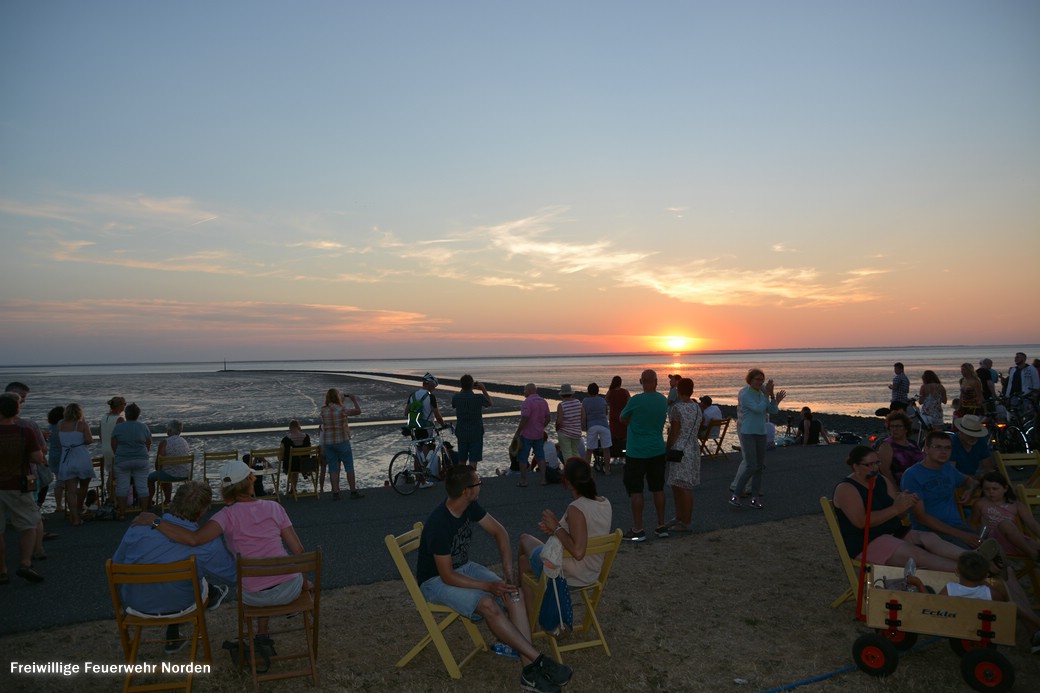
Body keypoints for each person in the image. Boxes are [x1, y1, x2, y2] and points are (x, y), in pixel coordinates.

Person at [416, 465, 573, 693]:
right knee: (488, 604)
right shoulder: (438, 524)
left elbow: (500, 532)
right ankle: (540, 662)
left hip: (463, 568)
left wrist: (507, 574)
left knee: (512, 592)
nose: (481, 486)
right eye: (478, 483)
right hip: (435, 582)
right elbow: (447, 576)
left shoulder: (469, 506)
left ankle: (529, 673)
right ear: (466, 491)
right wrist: (488, 585)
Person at [135, 459, 309, 647]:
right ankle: (271, 625)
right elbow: (298, 550)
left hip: (254, 595)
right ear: (251, 480)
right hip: (289, 589)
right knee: (278, 574)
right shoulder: (275, 507)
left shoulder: (225, 517)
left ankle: (262, 635)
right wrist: (300, 582)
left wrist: (157, 522)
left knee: (258, 581)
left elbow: (194, 539)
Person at [112, 481, 235, 653]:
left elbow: (117, 564)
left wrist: (155, 522)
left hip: (136, 604)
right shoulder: (206, 543)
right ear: (201, 513)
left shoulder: (138, 528)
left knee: (174, 573)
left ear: (173, 502)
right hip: (180, 605)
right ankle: (214, 594)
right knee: (193, 577)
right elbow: (233, 576)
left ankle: (174, 635)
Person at [833, 445, 962, 571]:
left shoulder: (881, 481)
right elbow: (861, 522)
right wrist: (895, 509)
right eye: (869, 465)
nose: (875, 468)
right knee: (917, 555)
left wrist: (905, 504)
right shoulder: (846, 488)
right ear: (855, 466)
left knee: (930, 538)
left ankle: (971, 557)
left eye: (877, 463)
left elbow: (900, 515)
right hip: (866, 541)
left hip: (893, 532)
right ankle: (966, 571)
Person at [517, 457, 613, 603]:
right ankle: (522, 603)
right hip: (592, 573)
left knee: (524, 539)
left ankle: (517, 602)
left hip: (568, 575)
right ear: (590, 477)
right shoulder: (605, 503)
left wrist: (556, 526)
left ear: (568, 483)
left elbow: (578, 552)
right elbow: (586, 532)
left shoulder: (577, 508)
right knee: (525, 561)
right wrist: (555, 529)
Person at [900, 431, 980, 549]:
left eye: (948, 448)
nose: (943, 452)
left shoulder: (947, 468)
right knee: (976, 557)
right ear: (926, 449)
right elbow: (921, 518)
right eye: (938, 447)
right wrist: (963, 536)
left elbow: (970, 481)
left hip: (956, 526)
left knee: (992, 547)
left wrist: (970, 490)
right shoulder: (913, 475)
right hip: (931, 532)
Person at [0, 392, 45, 583]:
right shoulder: (24, 432)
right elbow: (37, 458)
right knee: (28, 524)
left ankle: (2, 570)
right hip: (19, 484)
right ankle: (25, 563)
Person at [620, 369, 669, 541]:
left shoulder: (635, 400)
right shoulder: (663, 400)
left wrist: (632, 422)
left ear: (641, 381)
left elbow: (622, 418)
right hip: (657, 449)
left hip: (636, 452)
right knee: (658, 488)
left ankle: (638, 529)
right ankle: (661, 526)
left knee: (636, 490)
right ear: (656, 382)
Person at [729, 369, 785, 509]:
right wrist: (767, 395)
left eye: (761, 380)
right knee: (751, 465)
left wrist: (775, 400)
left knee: (759, 467)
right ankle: (736, 495)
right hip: (748, 432)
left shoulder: (761, 393)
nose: (760, 382)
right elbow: (758, 409)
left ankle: (755, 498)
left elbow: (773, 411)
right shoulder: (746, 394)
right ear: (750, 380)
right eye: (757, 379)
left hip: (761, 432)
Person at [973, 471, 1040, 561]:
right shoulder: (980, 504)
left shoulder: (1015, 504)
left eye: (995, 489)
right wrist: (976, 540)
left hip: (1016, 541)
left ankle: (1034, 554)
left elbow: (1033, 524)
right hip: (993, 541)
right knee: (1005, 524)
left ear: (1005, 489)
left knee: (1035, 545)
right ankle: (1033, 555)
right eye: (986, 489)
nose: (991, 492)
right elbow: (973, 523)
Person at [664, 377, 702, 532]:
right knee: (679, 484)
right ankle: (680, 516)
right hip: (693, 447)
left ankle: (684, 520)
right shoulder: (697, 407)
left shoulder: (677, 409)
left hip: (679, 448)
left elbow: (674, 432)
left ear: (678, 390)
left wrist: (667, 448)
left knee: (682, 486)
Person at [111, 403, 152, 520]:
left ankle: (122, 513)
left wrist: (117, 454)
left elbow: (113, 443)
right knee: (143, 486)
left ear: (126, 414)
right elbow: (149, 442)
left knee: (122, 486)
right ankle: (144, 513)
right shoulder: (143, 427)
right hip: (141, 459)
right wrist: (145, 453)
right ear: (138, 415)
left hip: (123, 459)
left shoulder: (119, 427)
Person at [320, 388, 363, 499]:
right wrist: (353, 400)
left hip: (328, 442)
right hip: (342, 440)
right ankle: (353, 491)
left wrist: (341, 401)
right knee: (348, 466)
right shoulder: (342, 409)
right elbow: (358, 411)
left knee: (333, 468)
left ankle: (335, 493)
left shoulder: (323, 410)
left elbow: (333, 410)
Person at [58, 402, 96, 526]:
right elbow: (89, 440)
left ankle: (75, 518)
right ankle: (79, 511)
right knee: (84, 487)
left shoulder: (61, 424)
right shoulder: (82, 424)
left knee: (71, 491)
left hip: (67, 459)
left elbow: (60, 440)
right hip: (81, 458)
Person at [147, 420, 191, 508]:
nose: (166, 431)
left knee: (150, 478)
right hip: (186, 474)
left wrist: (159, 468)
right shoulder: (184, 442)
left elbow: (158, 464)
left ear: (170, 431)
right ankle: (167, 500)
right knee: (165, 471)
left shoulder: (165, 442)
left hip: (171, 474)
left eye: (167, 429)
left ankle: (148, 502)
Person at [451, 374, 492, 467]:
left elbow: (454, 404)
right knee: (473, 460)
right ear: (472, 384)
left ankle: (462, 479)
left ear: (461, 385)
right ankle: (472, 479)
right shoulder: (479, 397)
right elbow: (489, 403)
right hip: (476, 432)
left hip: (462, 432)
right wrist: (483, 389)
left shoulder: (456, 398)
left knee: (462, 459)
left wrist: (465, 388)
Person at [514, 383, 550, 488]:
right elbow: (548, 418)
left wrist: (518, 432)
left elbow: (524, 418)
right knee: (540, 456)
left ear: (530, 391)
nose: (524, 392)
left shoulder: (527, 402)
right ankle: (543, 479)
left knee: (523, 457)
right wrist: (542, 427)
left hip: (527, 434)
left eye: (525, 390)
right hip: (539, 434)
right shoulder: (543, 401)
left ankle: (523, 480)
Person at [876, 411, 923, 488]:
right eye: (892, 426)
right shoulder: (887, 445)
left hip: (917, 484)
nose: (894, 429)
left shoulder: (913, 444)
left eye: (898, 426)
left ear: (906, 428)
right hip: (899, 486)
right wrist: (895, 489)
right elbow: (885, 470)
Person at [100, 396, 127, 504]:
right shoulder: (119, 419)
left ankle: (111, 497)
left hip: (105, 448)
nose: (125, 406)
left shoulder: (104, 417)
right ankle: (115, 498)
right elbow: (122, 436)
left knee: (111, 474)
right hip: (115, 448)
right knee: (117, 475)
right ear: (120, 405)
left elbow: (101, 434)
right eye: (124, 404)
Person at [949, 414, 992, 479]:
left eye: (976, 435)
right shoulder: (953, 442)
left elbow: (989, 468)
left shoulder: (980, 441)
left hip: (972, 478)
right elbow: (951, 472)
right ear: (961, 432)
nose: (973, 438)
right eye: (969, 435)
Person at [582, 383, 612, 475]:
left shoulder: (585, 401)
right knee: (606, 449)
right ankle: (607, 470)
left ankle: (587, 472)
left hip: (592, 426)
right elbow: (606, 412)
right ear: (598, 391)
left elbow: (584, 415)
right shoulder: (602, 400)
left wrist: (583, 426)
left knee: (589, 450)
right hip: (603, 425)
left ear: (588, 391)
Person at [406, 372, 445, 441]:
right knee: (429, 447)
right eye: (433, 386)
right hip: (427, 427)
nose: (434, 388)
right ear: (430, 384)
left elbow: (406, 413)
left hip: (415, 426)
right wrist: (443, 425)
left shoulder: (413, 395)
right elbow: (437, 416)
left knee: (419, 447)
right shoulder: (430, 396)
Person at [280, 419, 313, 496]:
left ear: (290, 428)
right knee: (297, 461)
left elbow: (282, 453)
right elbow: (310, 451)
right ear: (299, 427)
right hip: (306, 465)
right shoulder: (306, 437)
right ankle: (293, 488)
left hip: (292, 465)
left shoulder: (286, 439)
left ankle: (293, 489)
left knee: (292, 463)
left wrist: (281, 459)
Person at [554, 384, 584, 463]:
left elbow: (559, 421)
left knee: (567, 453)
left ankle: (569, 471)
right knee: (575, 452)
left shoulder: (561, 405)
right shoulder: (578, 402)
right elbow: (583, 416)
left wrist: (557, 429)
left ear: (562, 395)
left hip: (565, 432)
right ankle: (578, 469)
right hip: (577, 432)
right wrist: (579, 426)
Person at [44, 406, 65, 510]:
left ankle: (59, 505)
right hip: (63, 455)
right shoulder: (62, 427)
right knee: (65, 481)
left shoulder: (50, 427)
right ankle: (62, 505)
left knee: (59, 480)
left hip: (53, 455)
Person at [605, 376, 630, 461]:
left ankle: (615, 456)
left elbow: (606, 403)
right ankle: (622, 456)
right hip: (623, 417)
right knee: (624, 439)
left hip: (613, 418)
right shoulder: (625, 392)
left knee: (614, 438)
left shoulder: (610, 392)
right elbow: (629, 404)